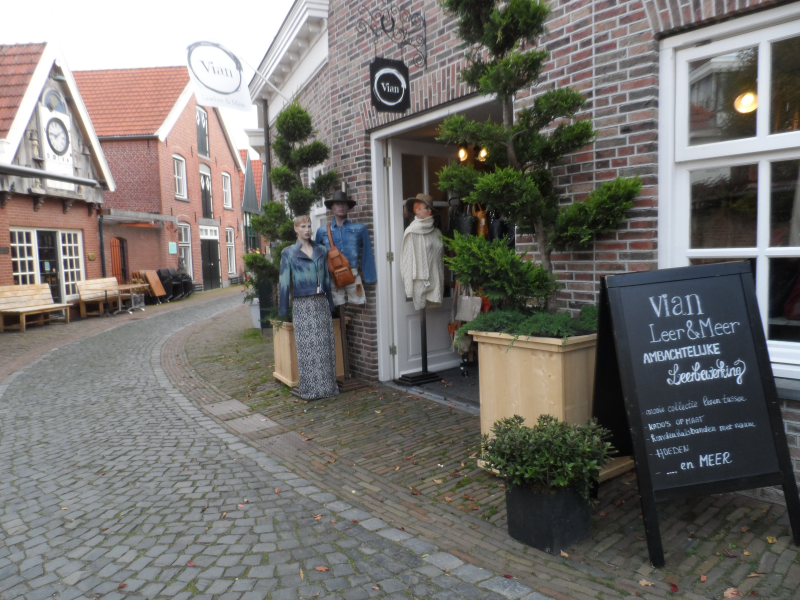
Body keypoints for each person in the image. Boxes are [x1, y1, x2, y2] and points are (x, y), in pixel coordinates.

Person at [279, 215, 339, 400]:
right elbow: (283, 282)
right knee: (307, 347)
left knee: (324, 345)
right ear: (296, 229)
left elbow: (327, 280)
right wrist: (283, 310)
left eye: (309, 225)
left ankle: (328, 388)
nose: (307, 229)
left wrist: (330, 303)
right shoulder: (288, 253)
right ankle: (310, 390)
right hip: (302, 304)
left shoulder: (321, 250)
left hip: (320, 303)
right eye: (303, 226)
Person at [314, 190, 377, 307]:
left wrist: (370, 277)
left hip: (353, 275)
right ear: (332, 208)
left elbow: (367, 254)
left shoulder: (360, 229)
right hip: (333, 277)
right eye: (337, 204)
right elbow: (317, 257)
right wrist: (318, 280)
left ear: (348, 207)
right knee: (336, 304)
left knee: (359, 299)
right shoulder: (322, 231)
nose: (340, 207)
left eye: (343, 204)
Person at [401, 194, 444, 310]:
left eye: (431, 208)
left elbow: (441, 259)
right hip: (420, 282)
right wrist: (409, 288)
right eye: (426, 208)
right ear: (417, 210)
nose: (429, 210)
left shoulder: (437, 233)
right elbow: (407, 262)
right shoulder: (411, 232)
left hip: (436, 279)